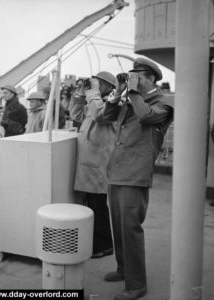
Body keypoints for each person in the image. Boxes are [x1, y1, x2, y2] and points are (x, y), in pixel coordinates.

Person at [99, 58, 174, 300]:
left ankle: (136, 285)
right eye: (131, 75)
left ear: (151, 78)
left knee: (130, 229)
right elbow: (106, 116)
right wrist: (120, 90)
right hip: (117, 171)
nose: (134, 79)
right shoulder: (130, 98)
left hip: (135, 175)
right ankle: (123, 269)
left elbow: (146, 117)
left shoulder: (163, 104)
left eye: (138, 75)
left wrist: (131, 92)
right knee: (118, 227)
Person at [70, 71, 117, 258]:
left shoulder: (112, 103)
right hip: (89, 163)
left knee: (97, 205)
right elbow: (77, 115)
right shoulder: (95, 101)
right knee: (92, 204)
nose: (92, 85)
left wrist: (93, 92)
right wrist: (79, 95)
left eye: (96, 83)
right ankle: (98, 244)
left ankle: (103, 246)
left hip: (97, 164)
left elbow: (99, 115)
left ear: (106, 86)